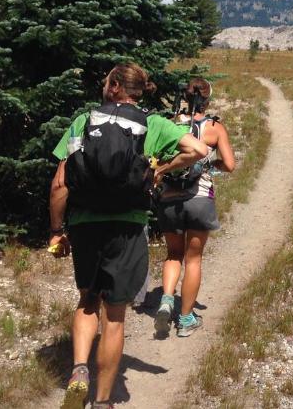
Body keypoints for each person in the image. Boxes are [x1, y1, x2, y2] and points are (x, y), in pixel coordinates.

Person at [48, 64, 208, 409]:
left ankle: (78, 371)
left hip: (86, 224)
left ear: (115, 86)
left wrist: (57, 230)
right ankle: (104, 400)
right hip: (128, 225)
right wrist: (161, 169)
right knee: (115, 315)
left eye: (106, 81)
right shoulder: (154, 124)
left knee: (88, 299)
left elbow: (60, 184)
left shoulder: (83, 121)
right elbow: (199, 150)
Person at [154, 78, 236, 338]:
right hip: (200, 197)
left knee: (172, 254)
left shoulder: (168, 123)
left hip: (169, 198)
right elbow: (230, 165)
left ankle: (167, 299)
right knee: (193, 259)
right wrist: (212, 166)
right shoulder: (214, 127)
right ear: (207, 99)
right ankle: (186, 317)